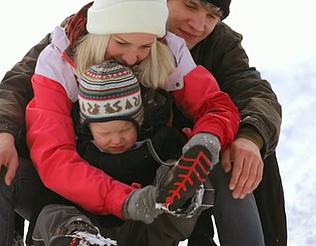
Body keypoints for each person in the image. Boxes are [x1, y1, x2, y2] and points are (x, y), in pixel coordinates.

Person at [0, 0, 285, 246]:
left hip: (161, 165)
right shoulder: (69, 46)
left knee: (245, 154)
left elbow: (244, 95)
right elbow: (18, 90)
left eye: (212, 14)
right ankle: (64, 232)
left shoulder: (179, 49)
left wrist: (234, 138)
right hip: (85, 171)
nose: (199, 23)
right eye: (189, 5)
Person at [32, 60, 211, 246]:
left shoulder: (159, 142)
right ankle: (81, 239)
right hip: (91, 225)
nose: (117, 139)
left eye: (125, 129)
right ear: (88, 128)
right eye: (105, 133)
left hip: (145, 229)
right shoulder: (78, 149)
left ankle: (178, 198)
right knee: (52, 213)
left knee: (180, 173)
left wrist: (201, 238)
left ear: (139, 121)